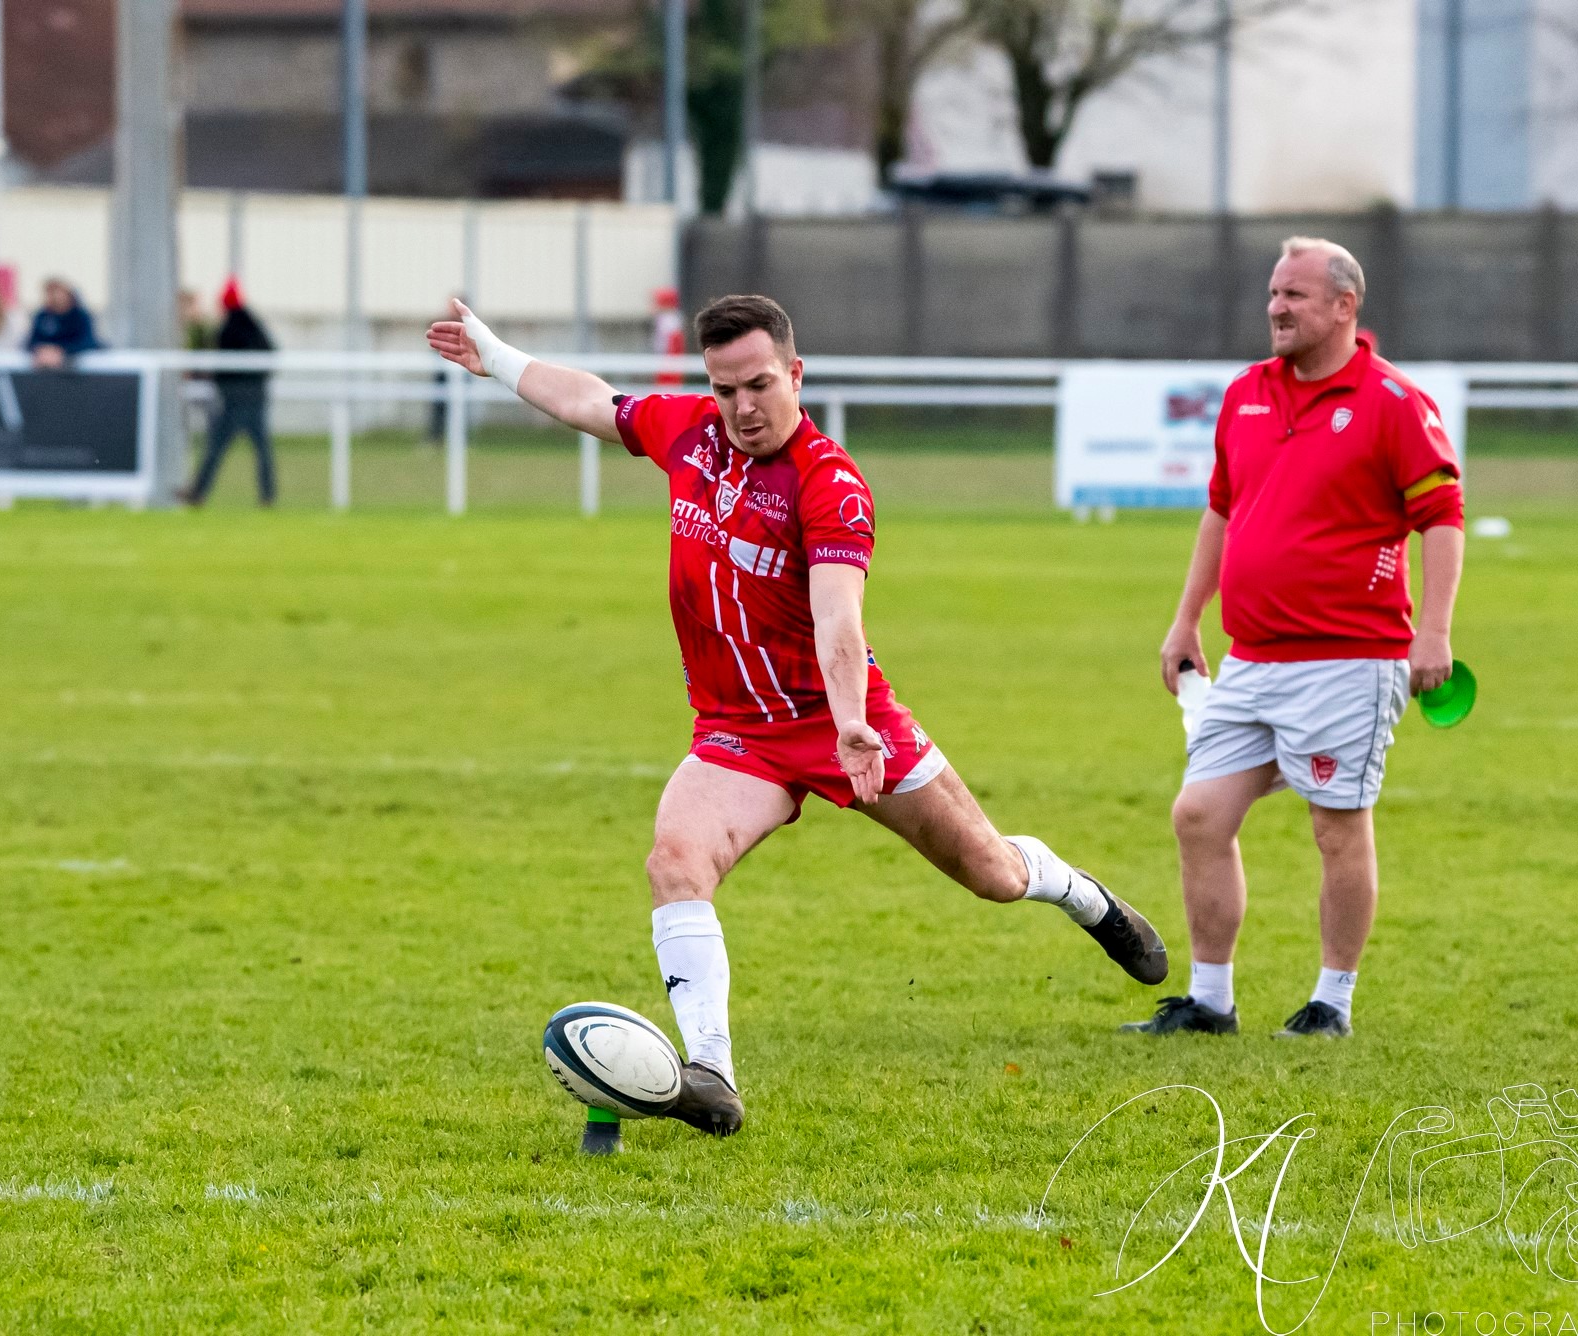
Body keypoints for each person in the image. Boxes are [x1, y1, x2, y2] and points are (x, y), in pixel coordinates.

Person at [427, 293, 1168, 1137]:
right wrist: (495, 355)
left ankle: (1084, 899)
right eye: (725, 388)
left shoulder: (831, 482)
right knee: (675, 863)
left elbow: (838, 620)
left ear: (796, 374)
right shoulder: (689, 434)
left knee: (991, 875)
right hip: (736, 733)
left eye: (759, 384)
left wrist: (853, 723)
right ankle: (711, 1072)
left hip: (841, 719)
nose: (743, 407)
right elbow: (588, 399)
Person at [1132, 237, 1465, 1041]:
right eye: (1274, 294)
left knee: (1335, 826)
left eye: (1296, 296)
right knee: (1200, 816)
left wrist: (1435, 632)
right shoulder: (1246, 393)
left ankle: (1332, 1004)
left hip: (1349, 660)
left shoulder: (1392, 402)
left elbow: (1442, 518)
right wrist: (1186, 619)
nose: (1277, 308)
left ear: (1345, 307)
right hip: (1252, 657)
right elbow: (1221, 509)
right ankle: (1210, 1002)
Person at [180, 278, 277, 507]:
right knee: (261, 450)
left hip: (236, 400)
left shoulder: (230, 328)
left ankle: (198, 492)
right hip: (254, 397)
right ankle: (267, 496)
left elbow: (222, 367)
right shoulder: (252, 323)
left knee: (216, 448)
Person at [24, 278, 102, 369]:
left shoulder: (80, 316)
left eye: (58, 293)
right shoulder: (42, 316)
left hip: (76, 370)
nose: (55, 297)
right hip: (45, 367)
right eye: (50, 293)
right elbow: (32, 341)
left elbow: (88, 341)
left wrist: (62, 351)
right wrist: (42, 350)